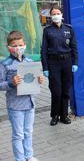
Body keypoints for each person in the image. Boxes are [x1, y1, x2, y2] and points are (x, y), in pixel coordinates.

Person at [0, 31, 44, 161]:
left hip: (30, 103)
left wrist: (39, 80)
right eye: (15, 45)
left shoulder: (30, 61)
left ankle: (29, 156)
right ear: (8, 47)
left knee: (28, 132)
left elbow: (33, 80)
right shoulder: (5, 64)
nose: (18, 48)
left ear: (24, 44)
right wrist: (11, 83)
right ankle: (19, 158)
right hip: (15, 105)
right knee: (18, 135)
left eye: (20, 44)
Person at [41, 5, 78, 126]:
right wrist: (45, 68)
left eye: (58, 13)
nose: (56, 15)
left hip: (67, 62)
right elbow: (44, 51)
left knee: (65, 91)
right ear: (51, 16)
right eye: (54, 14)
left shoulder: (69, 29)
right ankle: (54, 115)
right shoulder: (47, 31)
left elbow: (74, 48)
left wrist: (75, 63)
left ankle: (64, 115)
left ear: (61, 15)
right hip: (53, 63)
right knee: (56, 91)